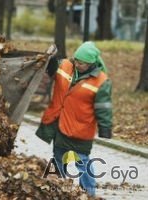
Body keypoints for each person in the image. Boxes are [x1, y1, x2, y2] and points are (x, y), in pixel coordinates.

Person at [36, 41, 112, 197]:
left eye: (82, 63)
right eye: (76, 60)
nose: (77, 64)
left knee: (82, 161)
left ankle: (89, 193)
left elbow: (104, 107)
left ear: (91, 63)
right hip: (60, 123)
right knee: (57, 158)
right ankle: (58, 188)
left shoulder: (101, 81)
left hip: (81, 128)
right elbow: (51, 70)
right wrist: (50, 58)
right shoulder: (65, 66)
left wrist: (105, 127)